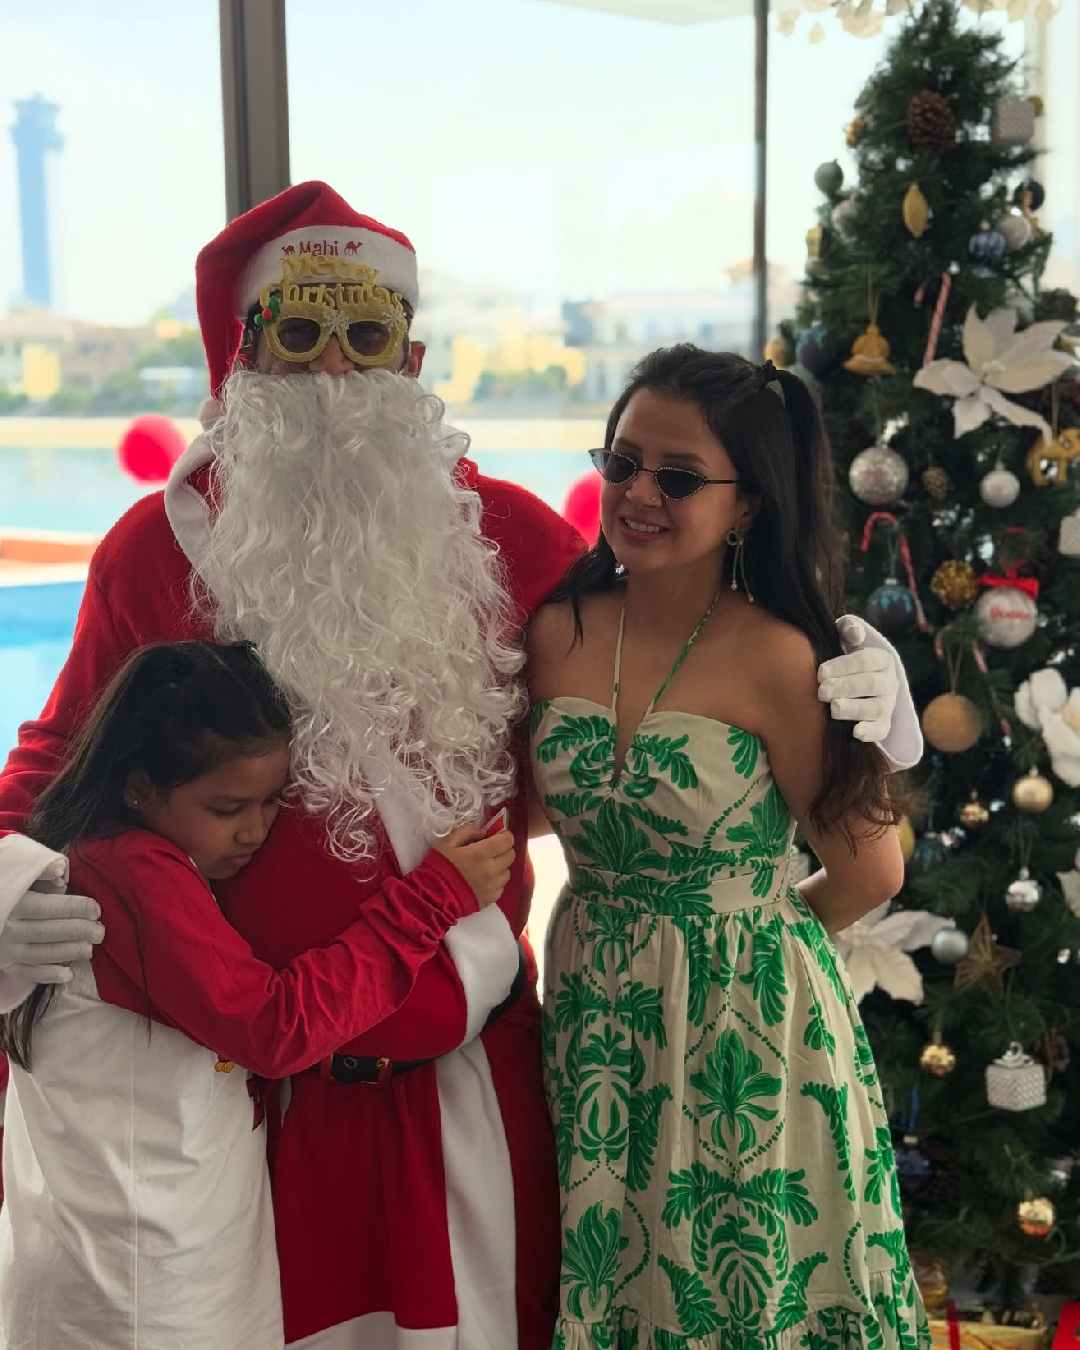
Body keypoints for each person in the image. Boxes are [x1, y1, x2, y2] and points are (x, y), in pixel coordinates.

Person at [0, 183, 919, 1349]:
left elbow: (669, 663)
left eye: (367, 337)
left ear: (414, 356)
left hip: (484, 1077)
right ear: (243, 359)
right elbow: (56, 757)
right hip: (254, 1101)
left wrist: (860, 708)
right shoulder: (155, 549)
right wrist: (9, 885)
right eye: (298, 335)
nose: (335, 373)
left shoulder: (523, 540)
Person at [527, 347, 929, 1349]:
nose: (638, 494)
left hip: (750, 1024)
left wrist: (743, 939)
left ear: (747, 503)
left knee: (750, 1294)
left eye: (677, 477)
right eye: (622, 463)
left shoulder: (782, 655)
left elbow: (874, 867)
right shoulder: (557, 629)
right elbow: (543, 809)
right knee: (617, 1278)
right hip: (594, 1014)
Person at [0, 639, 513, 1349]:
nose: (255, 830)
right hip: (140, 1281)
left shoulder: (123, 850)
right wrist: (431, 900)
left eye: (272, 802)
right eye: (227, 806)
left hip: (146, 1247)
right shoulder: (133, 874)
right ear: (140, 787)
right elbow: (275, 1029)